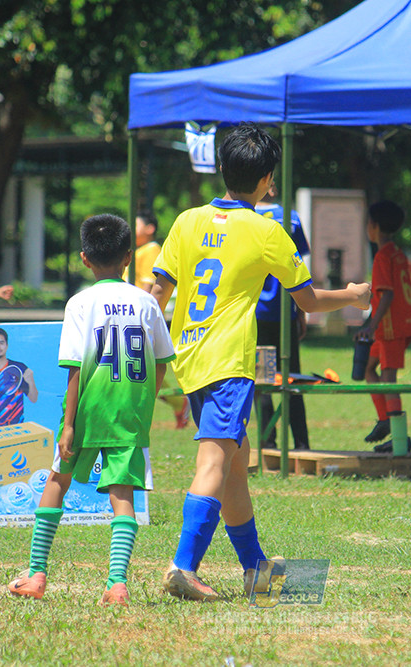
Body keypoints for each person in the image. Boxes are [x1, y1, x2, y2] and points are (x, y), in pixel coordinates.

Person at [150, 122, 371, 601]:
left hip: (189, 354)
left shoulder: (187, 220)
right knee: (216, 457)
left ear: (223, 170)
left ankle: (255, 568)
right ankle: (183, 567)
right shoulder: (269, 230)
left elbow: (157, 292)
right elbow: (308, 302)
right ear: (268, 179)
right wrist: (353, 294)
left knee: (237, 457)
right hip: (228, 361)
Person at [8, 214, 175, 606]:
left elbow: (75, 369)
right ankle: (116, 584)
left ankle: (35, 575)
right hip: (128, 414)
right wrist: (145, 400)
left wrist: (68, 425)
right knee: (122, 496)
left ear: (84, 258)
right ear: (129, 257)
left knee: (56, 482)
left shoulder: (80, 303)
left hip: (86, 410)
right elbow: (162, 359)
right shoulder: (145, 302)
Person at [354, 200, 411, 453]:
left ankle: (401, 436)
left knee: (388, 378)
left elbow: (388, 294)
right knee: (370, 368)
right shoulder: (397, 252)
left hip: (391, 328)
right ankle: (385, 420)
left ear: (374, 226)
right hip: (398, 324)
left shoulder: (382, 256)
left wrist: (371, 327)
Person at [255, 183, 311, 450]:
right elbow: (299, 267)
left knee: (263, 379)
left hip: (255, 314)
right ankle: (301, 444)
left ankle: (268, 444)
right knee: (294, 378)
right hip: (285, 313)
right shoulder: (291, 218)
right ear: (272, 186)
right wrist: (301, 312)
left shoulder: (246, 216)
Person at [130, 210, 191, 429]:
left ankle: (180, 402)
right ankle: (179, 403)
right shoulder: (138, 251)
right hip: (132, 317)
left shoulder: (151, 250)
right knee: (143, 370)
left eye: (135, 224)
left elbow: (149, 287)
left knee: (144, 370)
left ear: (149, 229)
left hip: (139, 317)